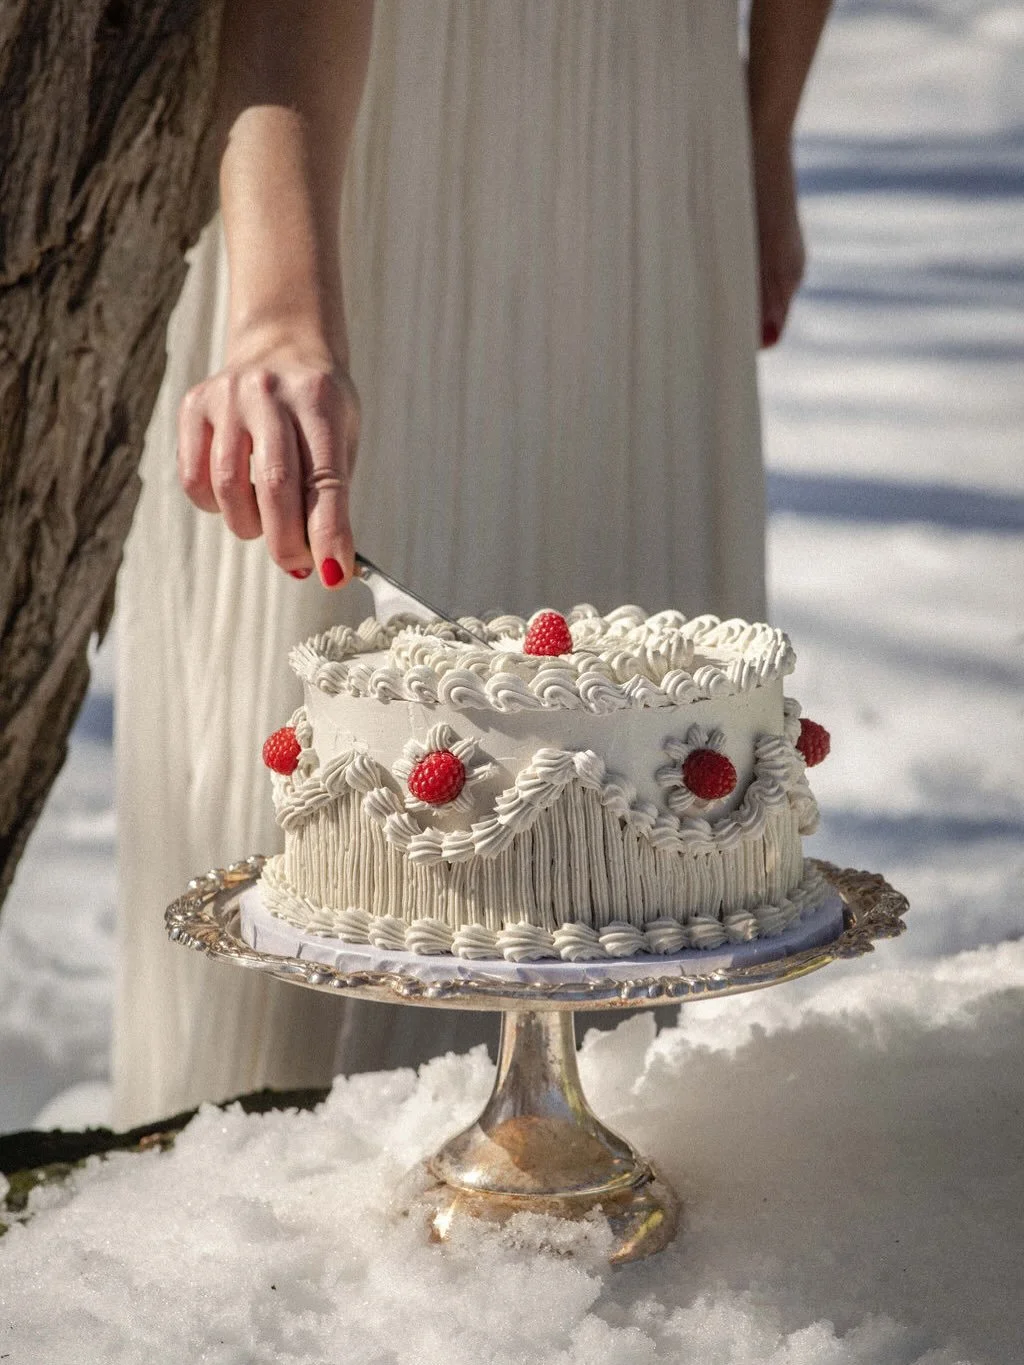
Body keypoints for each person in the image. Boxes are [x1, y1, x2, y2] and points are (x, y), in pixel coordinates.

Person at [113, 0, 831, 1128]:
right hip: (360, 132)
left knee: (639, 803)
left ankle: (570, 1179)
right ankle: (259, 1219)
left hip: (654, 127)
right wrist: (279, 310)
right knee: (326, 785)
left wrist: (759, 132)